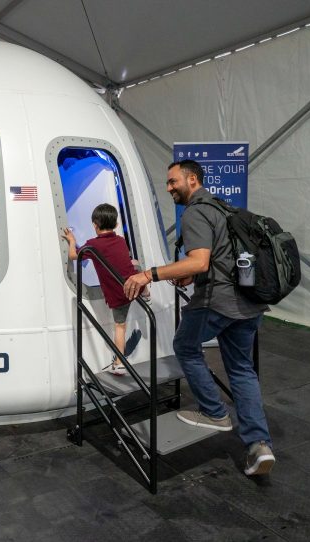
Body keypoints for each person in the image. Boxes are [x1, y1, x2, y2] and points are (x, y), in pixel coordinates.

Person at [123, 159, 275, 476]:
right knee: (242, 371)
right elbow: (220, 258)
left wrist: (148, 275)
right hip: (248, 304)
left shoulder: (195, 212)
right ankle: (259, 446)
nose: (168, 188)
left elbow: (199, 261)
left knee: (185, 346)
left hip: (218, 301)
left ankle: (214, 412)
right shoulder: (224, 208)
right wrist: (193, 276)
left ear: (192, 179)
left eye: (173, 181)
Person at [62, 203, 148, 375]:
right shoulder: (121, 241)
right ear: (116, 224)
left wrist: (72, 241)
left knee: (120, 327)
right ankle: (145, 292)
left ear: (95, 225)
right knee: (135, 264)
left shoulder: (92, 246)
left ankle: (119, 363)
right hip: (134, 286)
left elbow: (73, 255)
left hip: (119, 295)